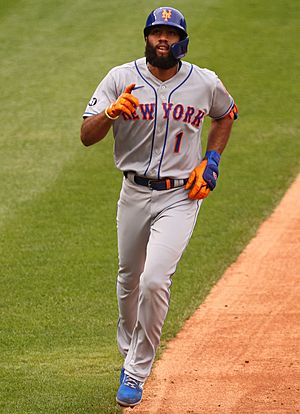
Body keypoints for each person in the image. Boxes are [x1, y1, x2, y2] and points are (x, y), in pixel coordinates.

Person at [81, 6, 238, 408]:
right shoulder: (121, 77)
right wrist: (108, 113)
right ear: (146, 38)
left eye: (170, 33)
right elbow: (85, 135)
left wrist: (212, 160)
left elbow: (226, 114)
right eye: (156, 33)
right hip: (133, 192)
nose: (162, 39)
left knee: (154, 280)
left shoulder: (204, 82)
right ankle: (128, 352)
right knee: (129, 279)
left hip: (179, 196)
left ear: (181, 41)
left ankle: (136, 371)